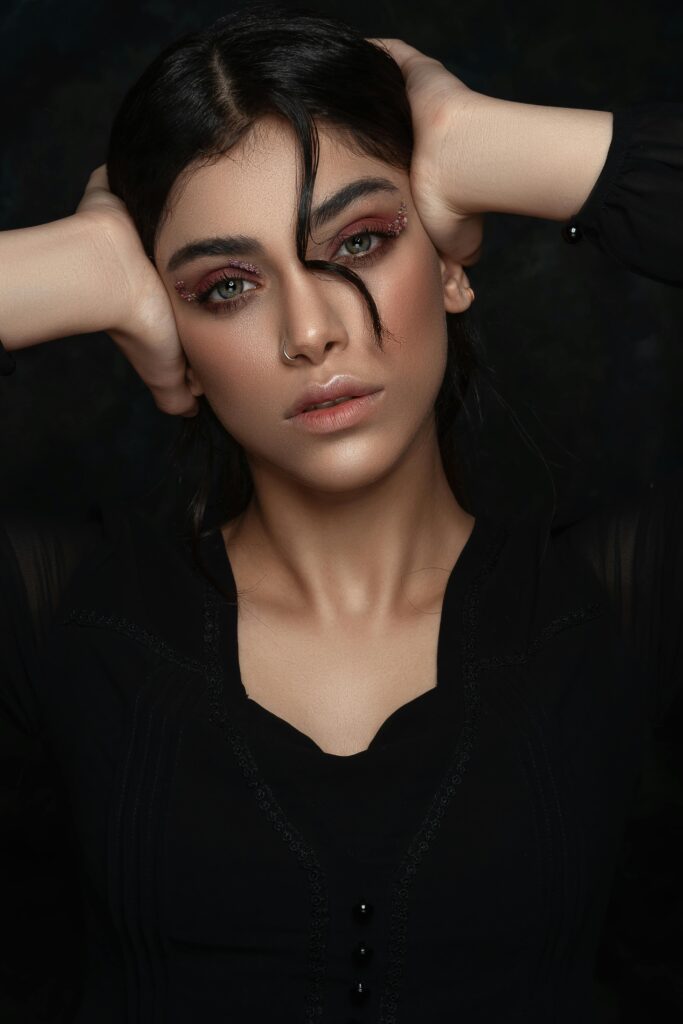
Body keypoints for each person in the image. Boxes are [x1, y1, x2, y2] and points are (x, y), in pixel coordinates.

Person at [0, 4, 681, 1021]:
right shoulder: (60, 612)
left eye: (360, 239)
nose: (310, 329)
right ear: (166, 321)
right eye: (227, 285)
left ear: (448, 262)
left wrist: (484, 142)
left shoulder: (620, 596)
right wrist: (72, 267)